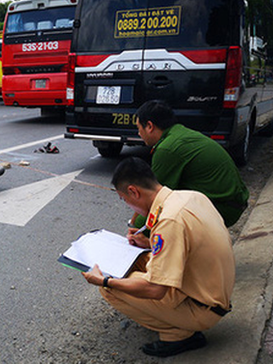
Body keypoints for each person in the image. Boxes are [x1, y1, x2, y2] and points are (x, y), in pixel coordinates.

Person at [83, 157, 235, 357]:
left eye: (124, 199)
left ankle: (178, 333)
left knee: (109, 287)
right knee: (137, 260)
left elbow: (155, 289)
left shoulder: (169, 220)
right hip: (211, 289)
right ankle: (175, 320)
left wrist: (105, 280)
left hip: (203, 308)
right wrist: (148, 243)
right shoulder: (190, 196)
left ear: (133, 192)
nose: (127, 205)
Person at [133, 100, 249, 227]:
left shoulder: (167, 149)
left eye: (139, 128)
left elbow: (156, 198)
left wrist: (138, 229)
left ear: (149, 126)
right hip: (231, 202)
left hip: (223, 207)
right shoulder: (179, 133)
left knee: (167, 215)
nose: (139, 133)